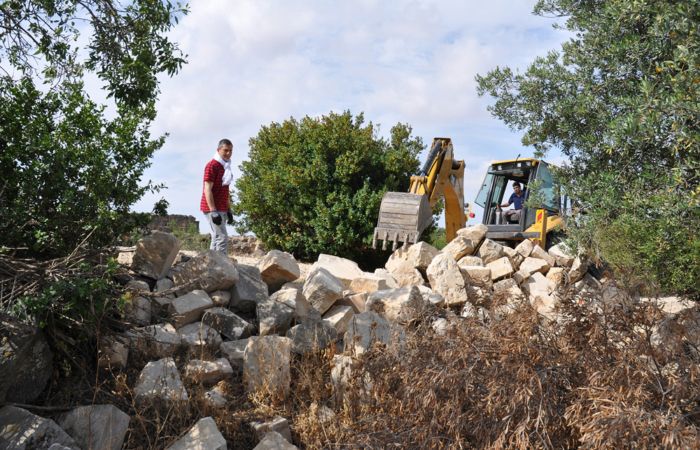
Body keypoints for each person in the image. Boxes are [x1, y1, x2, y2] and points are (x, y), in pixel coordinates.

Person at [200, 139, 234, 253]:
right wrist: (213, 211)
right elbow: (207, 189)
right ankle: (221, 267)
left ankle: (211, 264)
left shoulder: (226, 167)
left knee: (216, 237)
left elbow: (225, 191)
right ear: (218, 150)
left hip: (221, 207)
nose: (228, 153)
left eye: (230, 150)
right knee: (222, 238)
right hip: (213, 208)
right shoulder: (212, 165)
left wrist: (228, 209)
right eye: (225, 150)